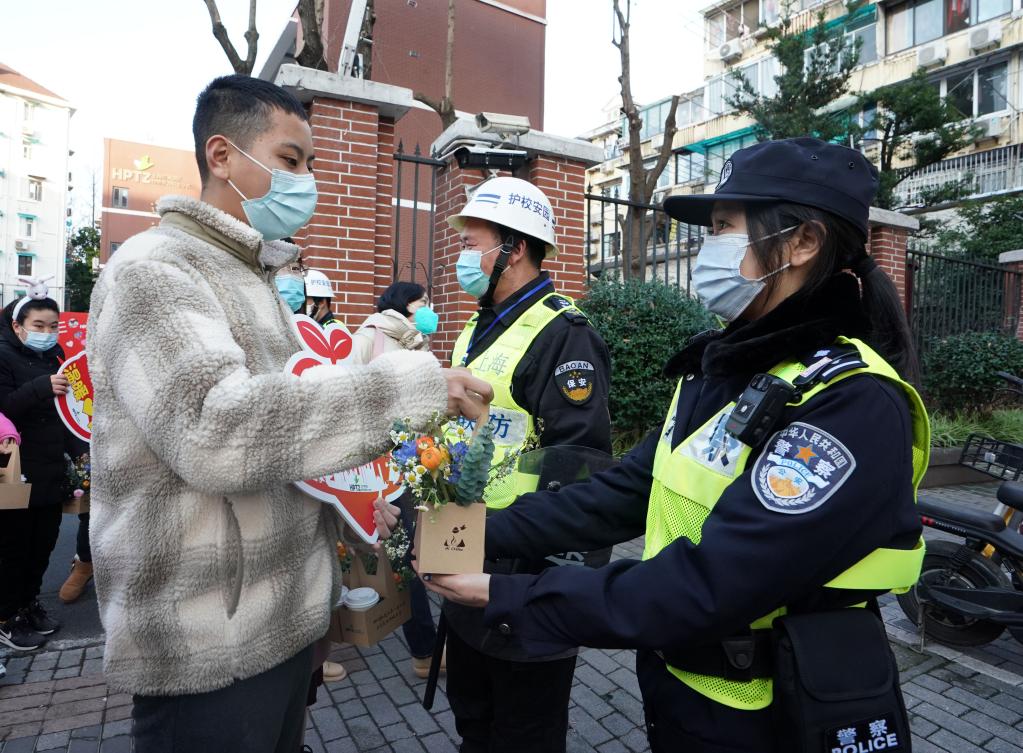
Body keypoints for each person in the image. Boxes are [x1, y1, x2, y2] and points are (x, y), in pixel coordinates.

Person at [423, 138, 929, 753]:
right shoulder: (724, 367)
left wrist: (510, 595)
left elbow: (712, 582)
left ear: (802, 242)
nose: (704, 246)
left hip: (776, 710)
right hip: (683, 683)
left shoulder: (850, 401)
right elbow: (625, 489)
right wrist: (470, 532)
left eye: (723, 227)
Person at [87, 74, 492, 753]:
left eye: (310, 164)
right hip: (206, 642)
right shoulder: (155, 270)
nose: (306, 181)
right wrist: (406, 391)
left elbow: (282, 433)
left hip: (277, 626)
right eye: (289, 159)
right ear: (221, 156)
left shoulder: (254, 278)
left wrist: (352, 499)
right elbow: (217, 429)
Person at [441, 176, 612, 753]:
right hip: (467, 553)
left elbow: (577, 472)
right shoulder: (473, 326)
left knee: (525, 736)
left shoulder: (566, 335)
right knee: (475, 722)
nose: (463, 254)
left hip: (525, 581)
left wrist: (551, 597)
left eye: (473, 242)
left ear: (512, 249)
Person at [350, 281, 439, 678]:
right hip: (385, 466)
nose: (428, 309)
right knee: (405, 553)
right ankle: (424, 649)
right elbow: (348, 392)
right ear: (403, 305)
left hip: (423, 460)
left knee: (427, 547)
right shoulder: (370, 335)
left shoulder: (416, 341)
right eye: (422, 303)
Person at [0, 292, 86, 651]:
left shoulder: (58, 358)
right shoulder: (2, 357)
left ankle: (29, 604)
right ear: (18, 327)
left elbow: (69, 416)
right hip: (15, 473)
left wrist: (81, 452)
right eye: (38, 325)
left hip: (50, 470)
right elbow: (4, 409)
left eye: (53, 326)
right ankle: (6, 618)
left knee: (42, 547)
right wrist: (38, 387)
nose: (47, 332)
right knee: (11, 550)